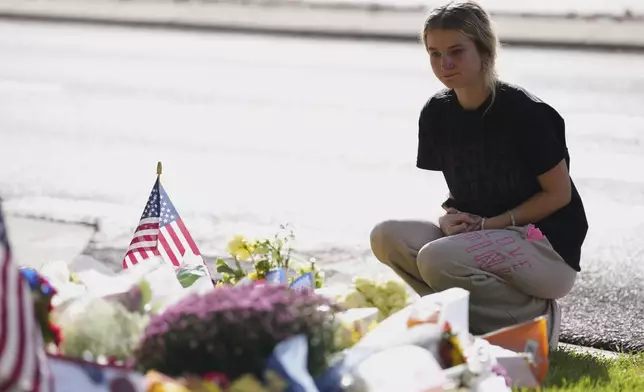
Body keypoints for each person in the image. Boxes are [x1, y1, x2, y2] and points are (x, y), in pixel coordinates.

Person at [369, 0, 588, 348]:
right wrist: (450, 220)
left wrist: (490, 224)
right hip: (483, 238)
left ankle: (536, 320)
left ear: (485, 50)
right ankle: (468, 327)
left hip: (544, 248)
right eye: (435, 53)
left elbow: (558, 195)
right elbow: (468, 186)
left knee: (437, 257)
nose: (445, 64)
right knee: (386, 236)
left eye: (457, 51)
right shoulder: (437, 113)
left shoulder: (525, 113)